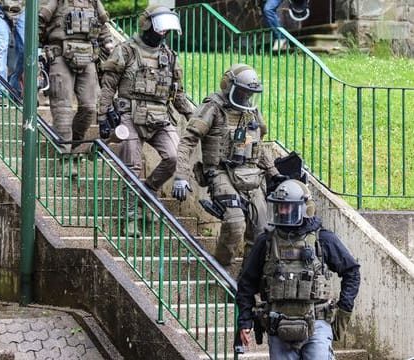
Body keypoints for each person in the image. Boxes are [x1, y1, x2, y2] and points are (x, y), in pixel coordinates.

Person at [172, 64, 286, 267]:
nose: (246, 96)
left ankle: (247, 280)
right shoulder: (213, 107)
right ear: (229, 86)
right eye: (243, 91)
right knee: (235, 223)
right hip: (221, 172)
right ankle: (221, 267)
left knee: (261, 232)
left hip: (252, 174)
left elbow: (258, 144)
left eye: (250, 93)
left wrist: (273, 173)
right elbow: (188, 140)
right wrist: (181, 175)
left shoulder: (251, 111)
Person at [236, 179, 361, 359]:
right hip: (278, 325)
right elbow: (246, 283)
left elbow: (352, 271)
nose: (282, 211)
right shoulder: (266, 242)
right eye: (280, 207)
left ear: (304, 208)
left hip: (316, 323)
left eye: (288, 207)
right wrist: (245, 321)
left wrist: (344, 310)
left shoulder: (323, 239)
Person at [98, 4, 194, 237]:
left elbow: (178, 94)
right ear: (147, 25)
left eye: (166, 31)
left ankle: (147, 191)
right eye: (160, 29)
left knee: (173, 157)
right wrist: (102, 115)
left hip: (160, 116)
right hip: (129, 115)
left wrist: (194, 117)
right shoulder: (126, 50)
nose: (163, 34)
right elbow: (108, 85)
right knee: (132, 165)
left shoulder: (169, 57)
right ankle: (129, 218)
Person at [39, 0, 113, 159]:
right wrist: (37, 49)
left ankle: (74, 144)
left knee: (90, 107)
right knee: (63, 108)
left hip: (88, 57)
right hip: (59, 55)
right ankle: (64, 155)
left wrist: (108, 43)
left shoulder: (93, 2)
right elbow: (39, 21)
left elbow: (103, 26)